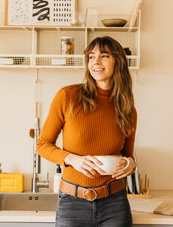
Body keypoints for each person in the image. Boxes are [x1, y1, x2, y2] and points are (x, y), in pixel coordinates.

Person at [37, 36, 137, 227]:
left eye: (104, 55)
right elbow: (42, 145)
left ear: (119, 62)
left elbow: (128, 156)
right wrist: (72, 159)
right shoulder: (68, 97)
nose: (96, 62)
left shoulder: (128, 110)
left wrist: (131, 164)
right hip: (72, 203)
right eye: (91, 57)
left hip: (115, 204)